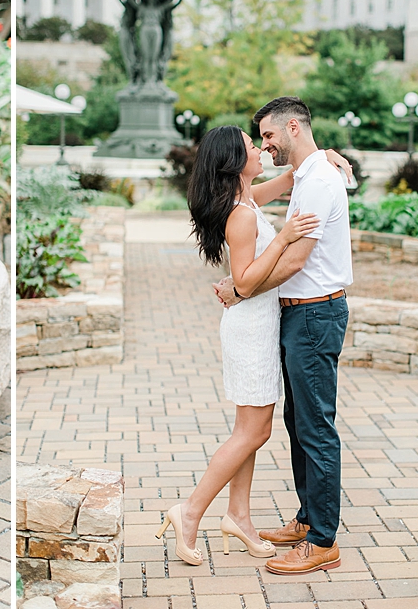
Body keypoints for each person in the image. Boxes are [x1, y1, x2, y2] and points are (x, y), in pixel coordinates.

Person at [155, 125, 321, 565]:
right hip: (251, 329)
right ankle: (190, 511)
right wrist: (284, 237)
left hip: (255, 325)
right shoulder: (242, 213)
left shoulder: (247, 200)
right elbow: (246, 280)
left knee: (247, 433)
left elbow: (288, 179)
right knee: (255, 431)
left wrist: (325, 159)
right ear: (235, 160)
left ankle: (239, 517)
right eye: (253, 146)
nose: (262, 148)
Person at [214, 96, 353, 575]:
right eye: (260, 141)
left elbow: (295, 261)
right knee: (300, 423)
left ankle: (323, 539)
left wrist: (241, 287)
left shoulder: (318, 181)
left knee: (315, 427)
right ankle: (307, 518)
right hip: (297, 316)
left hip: (315, 315)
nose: (265, 145)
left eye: (269, 135)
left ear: (292, 127)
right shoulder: (308, 175)